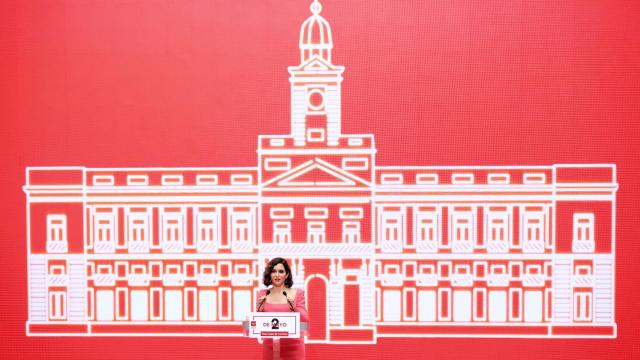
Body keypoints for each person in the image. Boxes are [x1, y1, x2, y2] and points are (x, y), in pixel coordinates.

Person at [256, 257, 308, 360]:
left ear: (287, 274)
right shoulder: (262, 294)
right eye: (273, 271)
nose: (277, 275)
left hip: (294, 348)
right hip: (270, 348)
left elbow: (305, 320)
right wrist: (259, 310)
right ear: (269, 274)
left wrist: (294, 308)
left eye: (281, 271)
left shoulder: (298, 293)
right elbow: (258, 325)